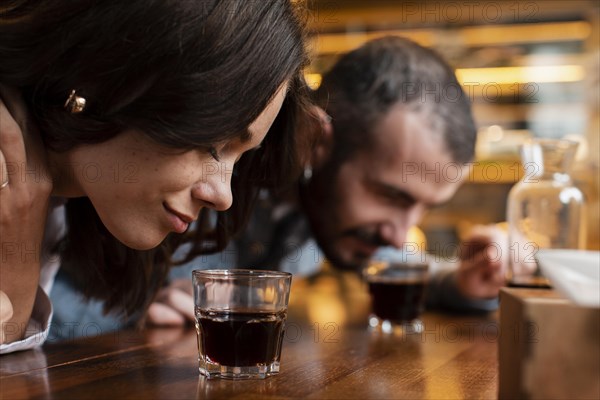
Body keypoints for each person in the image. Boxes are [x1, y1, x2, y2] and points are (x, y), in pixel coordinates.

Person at [48, 36, 507, 337]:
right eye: (391, 196)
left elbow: (395, 264)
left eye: (425, 208)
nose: (401, 233)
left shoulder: (333, 216)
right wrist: (132, 322)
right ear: (316, 140)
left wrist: (466, 279)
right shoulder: (201, 165)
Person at [0, 0, 311, 352]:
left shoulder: (73, 207)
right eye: (212, 144)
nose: (224, 197)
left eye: (238, 161)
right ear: (112, 72)